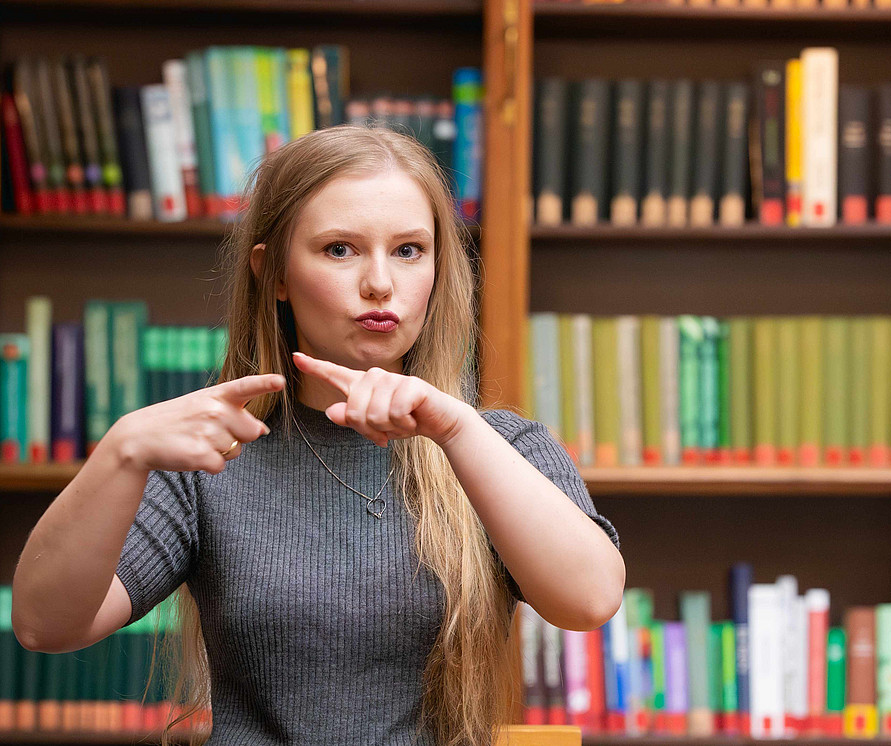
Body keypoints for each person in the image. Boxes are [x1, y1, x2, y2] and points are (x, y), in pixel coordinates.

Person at [11, 125, 625, 746]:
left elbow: (590, 600)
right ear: (272, 272)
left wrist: (454, 427)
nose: (380, 283)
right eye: (340, 249)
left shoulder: (500, 446)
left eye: (409, 250)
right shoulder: (210, 455)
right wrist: (120, 451)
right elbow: (45, 625)